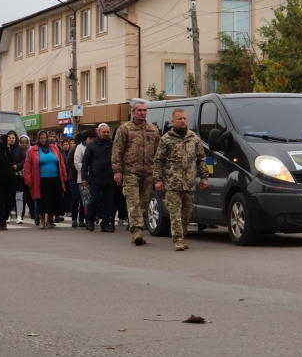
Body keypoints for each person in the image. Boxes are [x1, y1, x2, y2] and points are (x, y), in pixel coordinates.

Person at [153, 109, 209, 251]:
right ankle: (177, 239)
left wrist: (204, 177)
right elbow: (159, 160)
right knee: (175, 212)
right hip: (173, 183)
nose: (183, 121)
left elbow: (201, 158)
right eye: (179, 119)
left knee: (186, 213)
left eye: (184, 118)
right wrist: (158, 180)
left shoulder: (194, 138)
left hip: (189, 183)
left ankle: (182, 235)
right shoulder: (166, 139)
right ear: (173, 121)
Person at [112, 99, 161, 245]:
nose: (142, 113)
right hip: (130, 172)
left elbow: (159, 153)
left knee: (144, 203)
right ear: (133, 112)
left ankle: (141, 225)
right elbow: (117, 151)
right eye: (139, 110)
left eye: (144, 110)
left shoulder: (153, 129)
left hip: (148, 173)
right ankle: (137, 231)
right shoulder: (124, 129)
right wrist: (117, 171)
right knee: (133, 202)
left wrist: (159, 173)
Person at [24, 130, 67, 229]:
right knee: (42, 202)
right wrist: (28, 179)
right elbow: (27, 167)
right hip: (40, 181)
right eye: (41, 138)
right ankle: (42, 222)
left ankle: (50, 220)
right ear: (38, 139)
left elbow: (61, 162)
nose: (43, 140)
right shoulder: (32, 150)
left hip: (54, 179)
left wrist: (64, 175)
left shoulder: (54, 148)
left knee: (53, 201)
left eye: (45, 138)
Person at [82, 124, 115, 233]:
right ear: (98, 132)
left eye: (107, 132)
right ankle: (90, 221)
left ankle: (105, 224)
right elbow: (85, 162)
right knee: (94, 201)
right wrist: (84, 177)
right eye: (104, 132)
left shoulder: (113, 145)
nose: (106, 134)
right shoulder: (91, 146)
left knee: (108, 203)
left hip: (109, 179)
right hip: (95, 179)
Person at [6, 130, 27, 225]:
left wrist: (17, 166)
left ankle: (19, 216)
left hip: (18, 176)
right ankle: (7, 215)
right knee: (8, 197)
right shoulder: (5, 148)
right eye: (10, 138)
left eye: (13, 138)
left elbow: (24, 160)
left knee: (19, 197)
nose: (12, 140)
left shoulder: (20, 149)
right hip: (7, 176)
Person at [18, 135, 33, 221]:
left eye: (25, 142)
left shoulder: (30, 150)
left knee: (29, 196)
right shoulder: (18, 150)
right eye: (22, 142)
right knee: (21, 196)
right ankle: (21, 213)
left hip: (28, 175)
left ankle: (32, 211)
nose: (24, 144)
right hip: (20, 175)